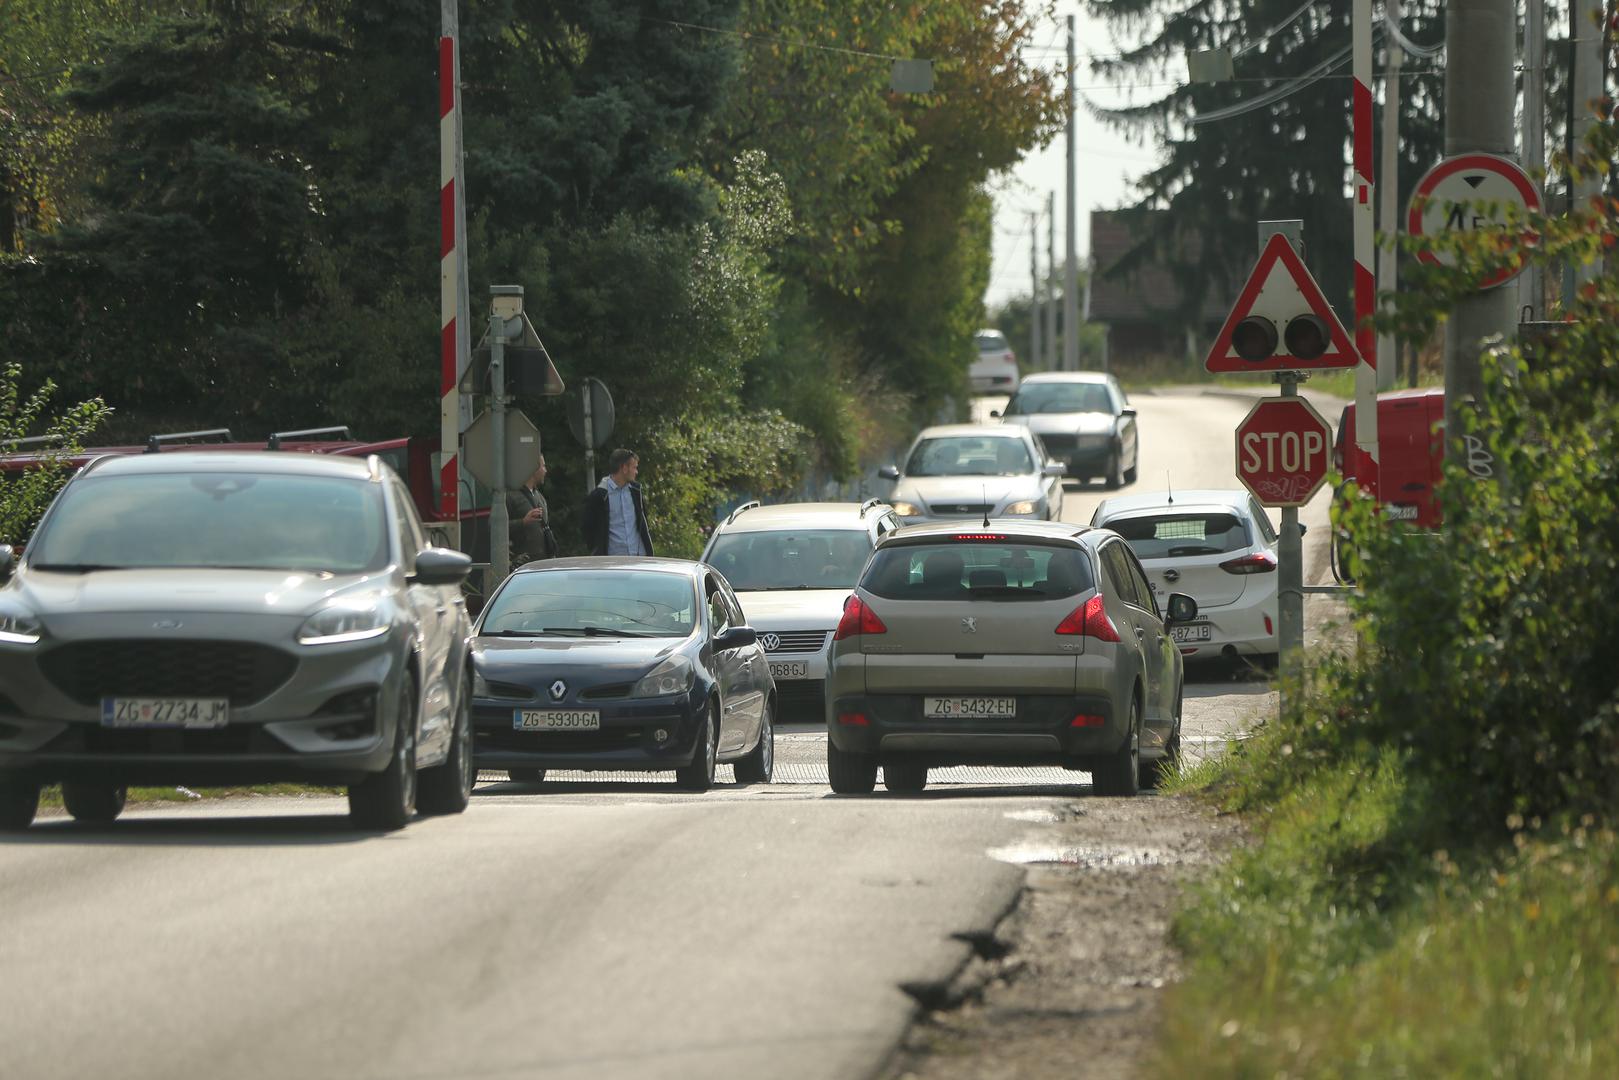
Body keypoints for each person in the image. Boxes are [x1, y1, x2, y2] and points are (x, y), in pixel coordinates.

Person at [582, 448, 654, 557]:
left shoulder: (636, 492)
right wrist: (598, 551)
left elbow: (643, 521)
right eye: (634, 467)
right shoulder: (600, 495)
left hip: (639, 558)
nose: (636, 472)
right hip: (614, 561)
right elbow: (588, 528)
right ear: (624, 468)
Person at [507, 453, 559, 564]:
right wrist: (523, 522)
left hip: (544, 563)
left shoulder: (540, 497)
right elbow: (493, 527)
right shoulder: (511, 496)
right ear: (533, 469)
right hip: (523, 566)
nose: (546, 471)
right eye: (543, 466)